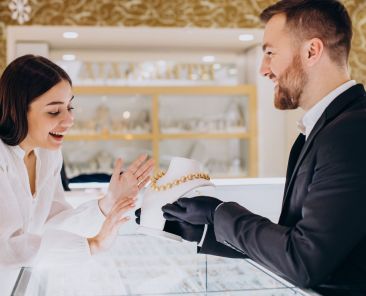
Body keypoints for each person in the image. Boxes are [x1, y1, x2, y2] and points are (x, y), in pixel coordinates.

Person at [155, 1, 366, 295]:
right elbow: (289, 246)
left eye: (270, 53)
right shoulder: (321, 131)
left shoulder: (352, 132)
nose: (263, 69)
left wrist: (219, 213)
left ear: (311, 51)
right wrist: (202, 228)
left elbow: (304, 262)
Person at [0, 54, 154, 268]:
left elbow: (55, 221)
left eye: (69, 108)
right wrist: (93, 245)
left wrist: (107, 203)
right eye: (54, 111)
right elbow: (6, 247)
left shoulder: (48, 154)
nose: (69, 120)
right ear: (17, 111)